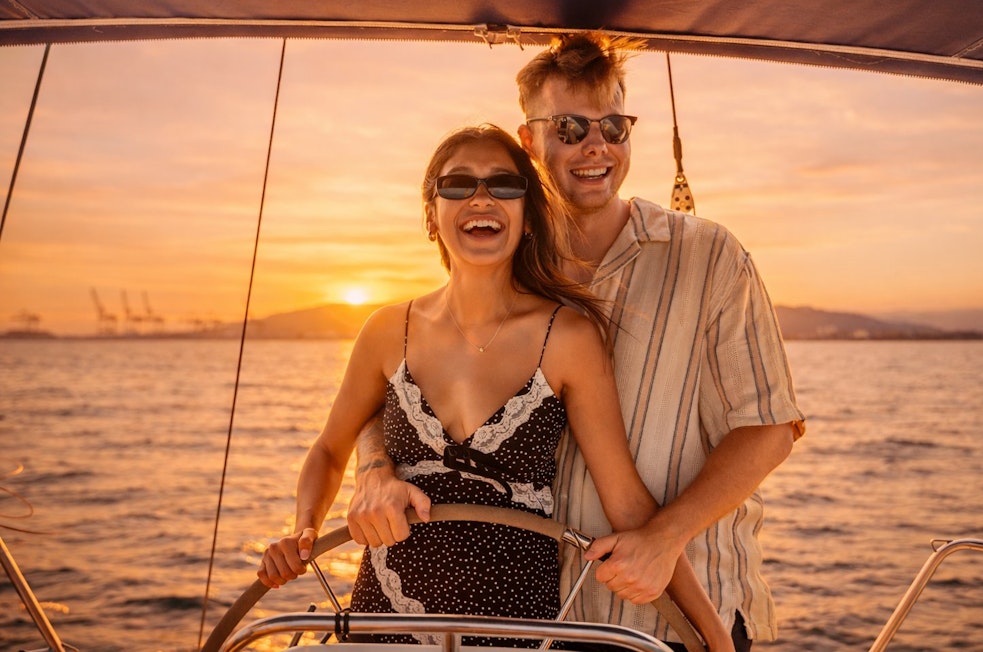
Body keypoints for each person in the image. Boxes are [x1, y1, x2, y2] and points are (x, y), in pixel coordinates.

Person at [346, 34, 806, 652]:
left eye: (614, 127)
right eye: (570, 127)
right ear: (530, 141)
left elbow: (771, 427)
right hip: (543, 618)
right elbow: (395, 393)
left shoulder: (711, 256)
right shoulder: (500, 262)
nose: (596, 146)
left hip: (674, 612)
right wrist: (374, 470)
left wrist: (665, 539)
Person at [256, 124, 733, 650]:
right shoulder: (386, 331)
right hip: (381, 619)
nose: (481, 198)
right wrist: (303, 530)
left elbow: (626, 503)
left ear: (527, 216)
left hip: (517, 631)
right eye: (458, 184)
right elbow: (329, 447)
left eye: (504, 185)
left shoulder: (567, 336)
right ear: (431, 215)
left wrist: (714, 637)